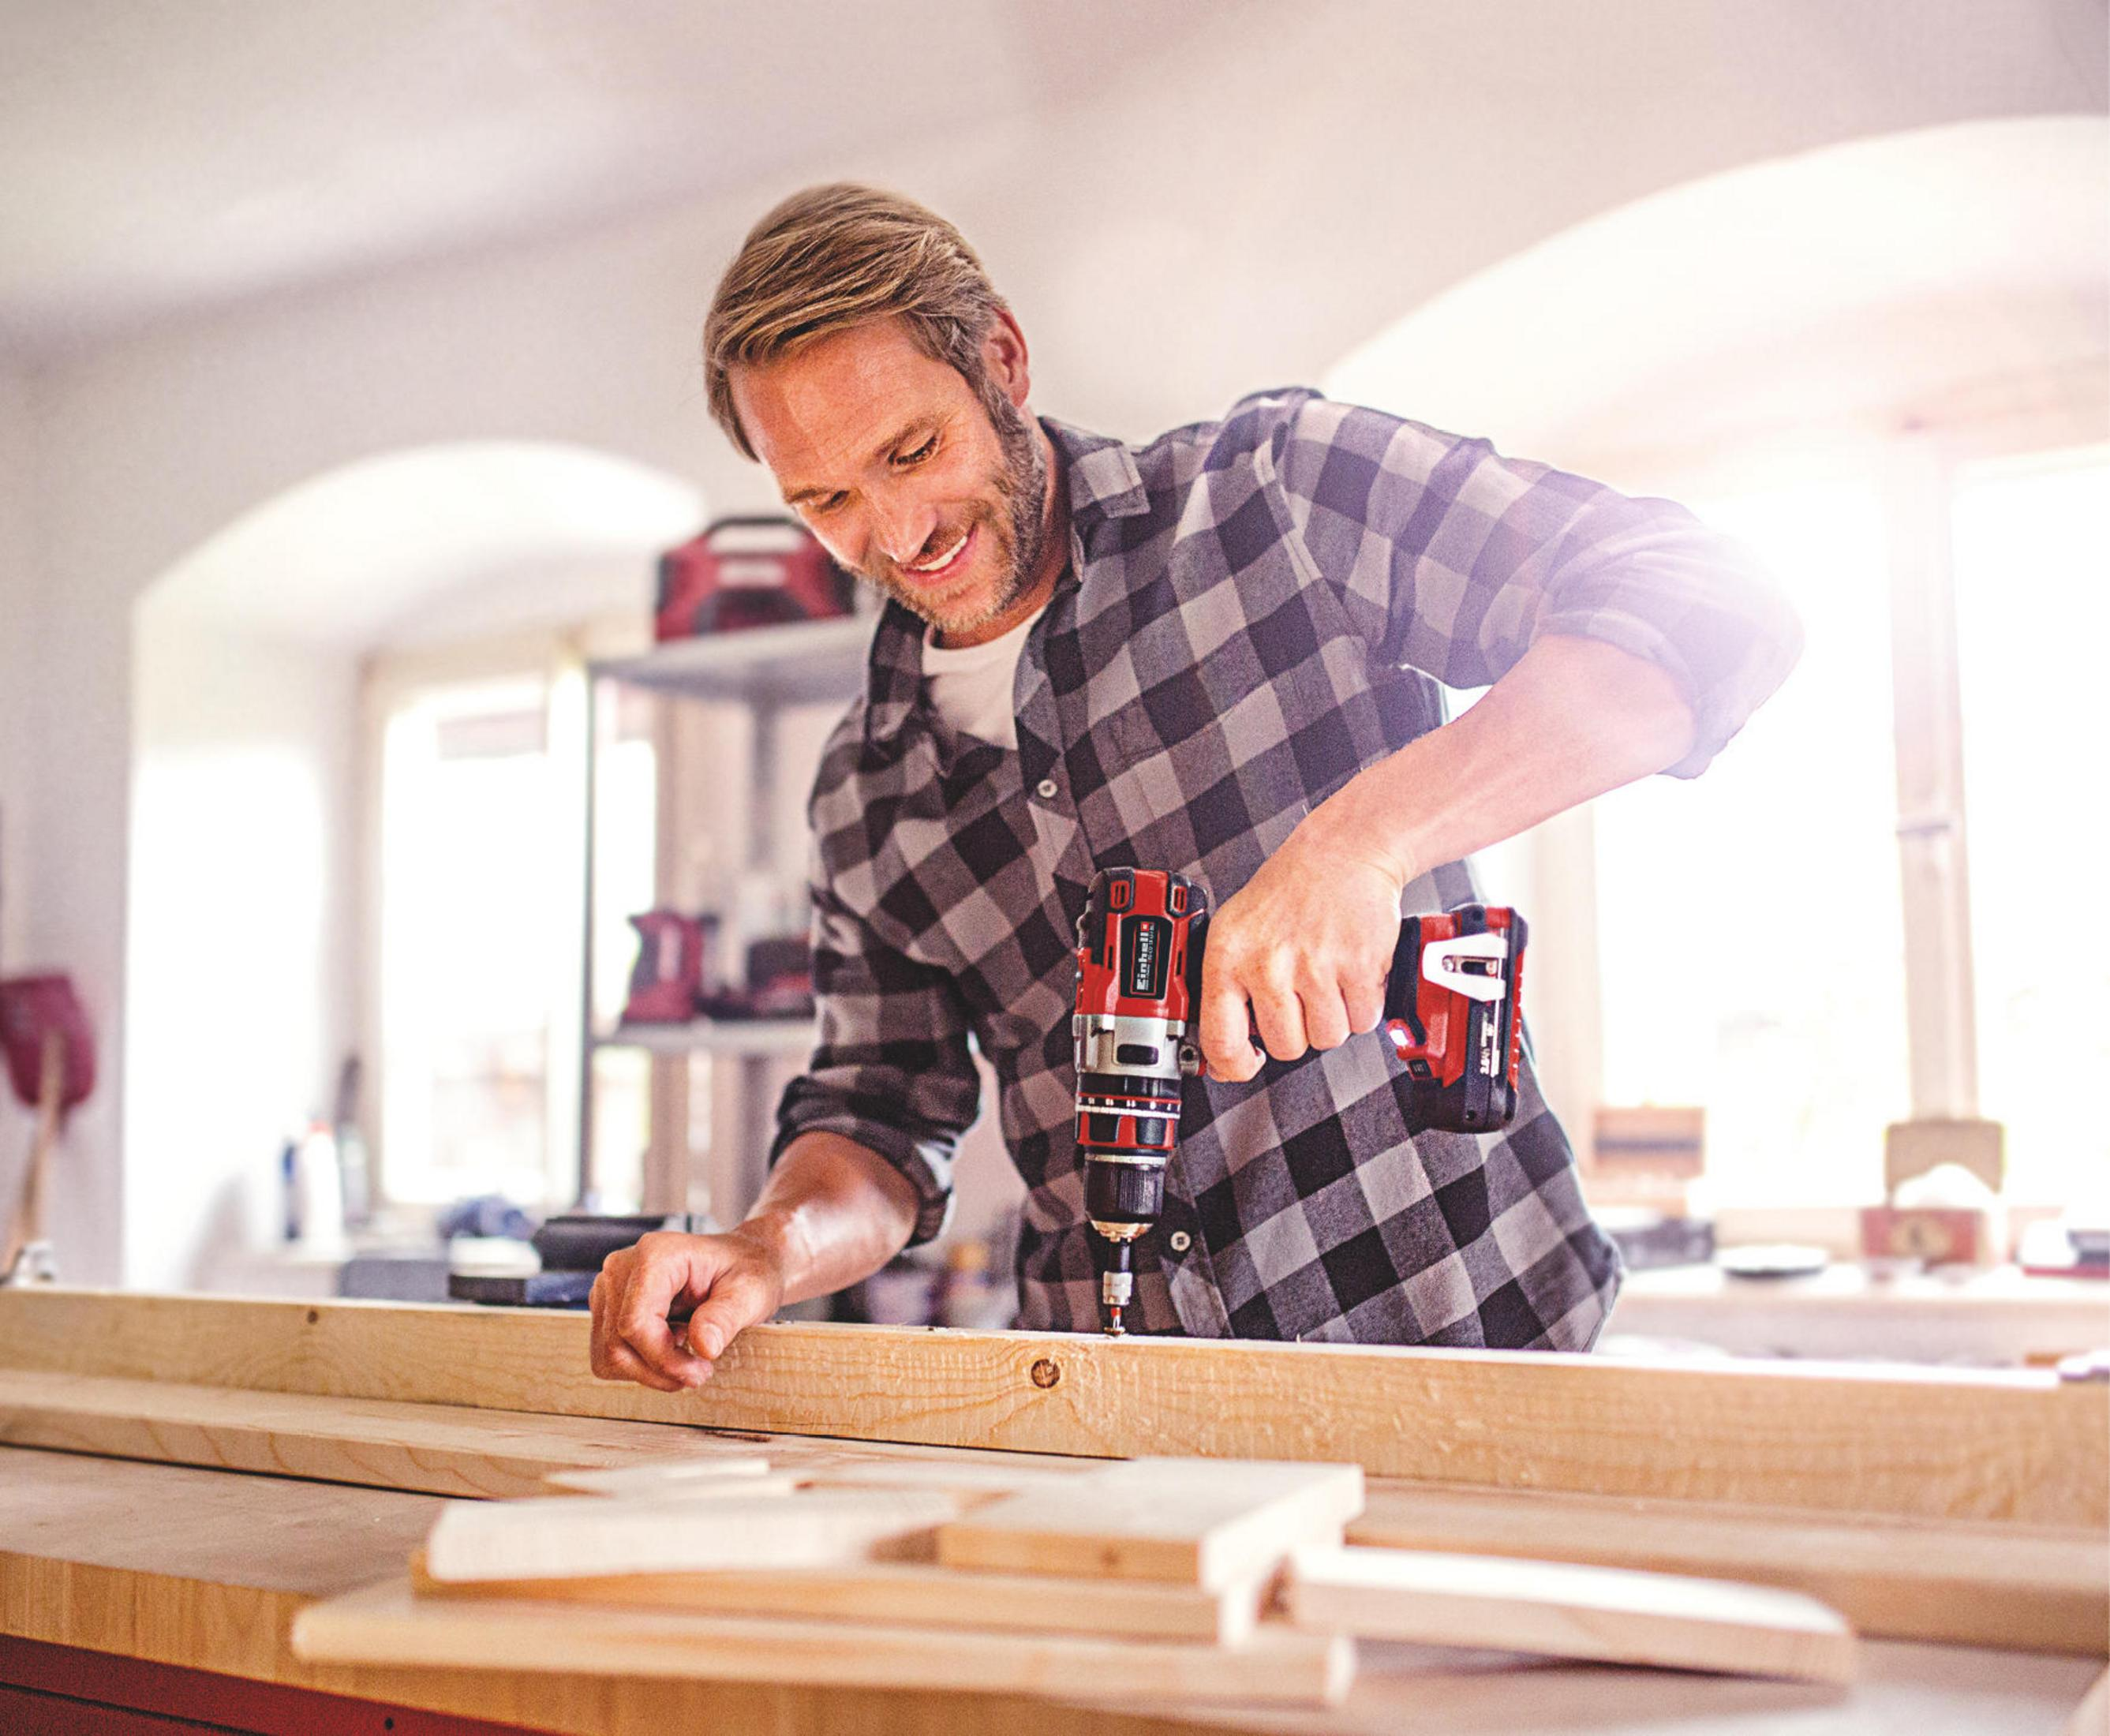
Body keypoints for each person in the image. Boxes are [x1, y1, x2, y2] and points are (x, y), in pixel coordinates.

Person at [588, 184, 1800, 1391]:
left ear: (1000, 360)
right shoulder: (867, 784)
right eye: (827, 502)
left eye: (912, 452)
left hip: (1476, 1360)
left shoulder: (1274, 500)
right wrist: (761, 1246)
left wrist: (1364, 841)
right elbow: (878, 1115)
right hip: (1115, 1411)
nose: (897, 534)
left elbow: (1707, 603)